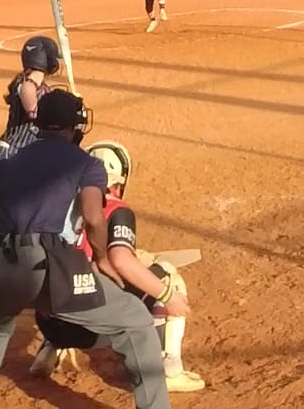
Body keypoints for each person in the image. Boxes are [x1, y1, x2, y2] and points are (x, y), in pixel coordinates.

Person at [0, 89, 176, 409]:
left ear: (38, 124)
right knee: (136, 322)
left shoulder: (10, 164)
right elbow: (94, 217)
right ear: (76, 125)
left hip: (5, 263)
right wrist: (101, 258)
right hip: (53, 265)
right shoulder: (87, 164)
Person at [30, 139, 205, 394]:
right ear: (120, 179)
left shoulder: (58, 203)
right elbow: (121, 261)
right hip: (88, 329)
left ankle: (49, 349)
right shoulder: (116, 208)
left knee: (63, 275)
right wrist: (168, 296)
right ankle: (167, 370)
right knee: (166, 276)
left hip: (48, 320)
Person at [0, 36, 61, 175]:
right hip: (12, 155)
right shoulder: (27, 84)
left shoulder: (33, 84)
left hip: (16, 154)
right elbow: (32, 110)